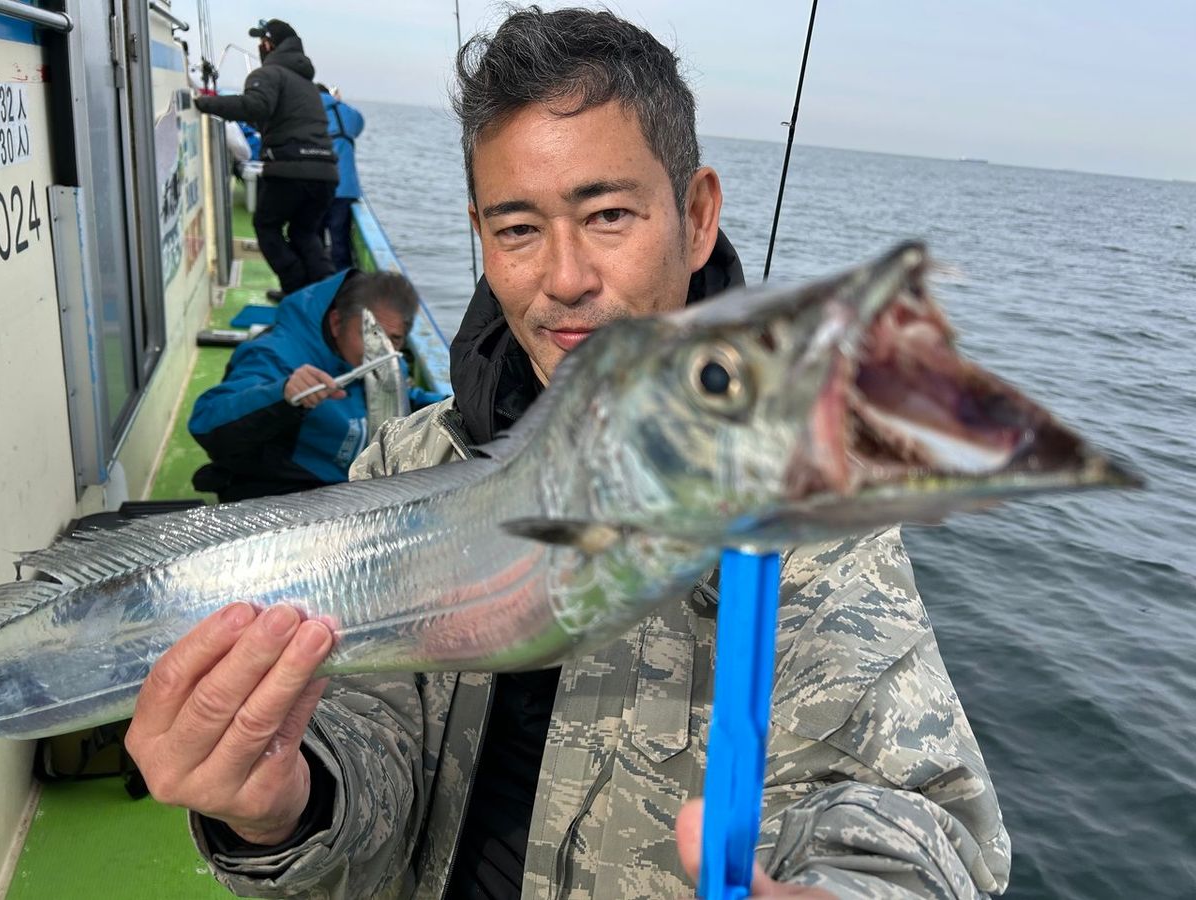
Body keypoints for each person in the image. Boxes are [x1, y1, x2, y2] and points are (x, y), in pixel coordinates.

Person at [126, 7, 1011, 898]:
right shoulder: (404, 468)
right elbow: (363, 736)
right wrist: (284, 803)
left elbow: (906, 811)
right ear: (480, 235)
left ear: (696, 216)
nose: (565, 278)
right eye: (518, 229)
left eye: (610, 214)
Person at [188, 269, 446, 503]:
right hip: (280, 497)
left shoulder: (384, 357)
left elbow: (403, 397)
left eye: (395, 340)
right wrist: (283, 394)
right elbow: (206, 419)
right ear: (336, 323)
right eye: (371, 335)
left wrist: (456, 405)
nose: (380, 352)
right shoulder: (276, 353)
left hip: (351, 493)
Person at [193, 19, 338, 299]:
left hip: (292, 172)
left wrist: (204, 103)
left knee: (266, 225)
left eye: (262, 42)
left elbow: (255, 106)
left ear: (269, 44)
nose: (260, 48)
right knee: (304, 234)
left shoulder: (270, 73)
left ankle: (296, 291)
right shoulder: (307, 85)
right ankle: (328, 298)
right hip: (326, 174)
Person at [317, 84, 366, 271]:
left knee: (313, 238)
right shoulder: (344, 111)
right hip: (346, 187)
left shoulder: (310, 109)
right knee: (340, 241)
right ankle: (344, 285)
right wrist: (339, 102)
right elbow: (359, 124)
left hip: (320, 184)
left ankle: (319, 280)